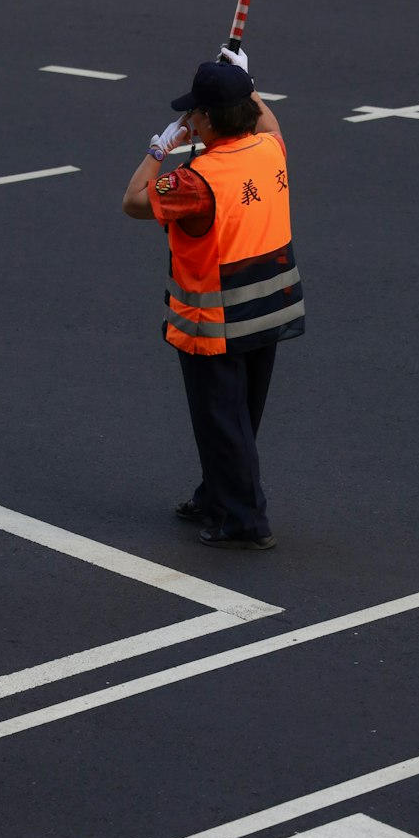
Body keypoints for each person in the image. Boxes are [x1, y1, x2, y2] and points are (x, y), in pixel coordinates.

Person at [122, 47, 304, 549]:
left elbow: (133, 201)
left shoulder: (194, 181)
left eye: (193, 112)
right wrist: (244, 80)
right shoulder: (270, 149)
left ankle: (246, 521)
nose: (187, 117)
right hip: (269, 306)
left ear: (206, 119)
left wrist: (160, 149)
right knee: (240, 414)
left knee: (222, 420)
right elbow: (270, 122)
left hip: (215, 319)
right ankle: (216, 494)